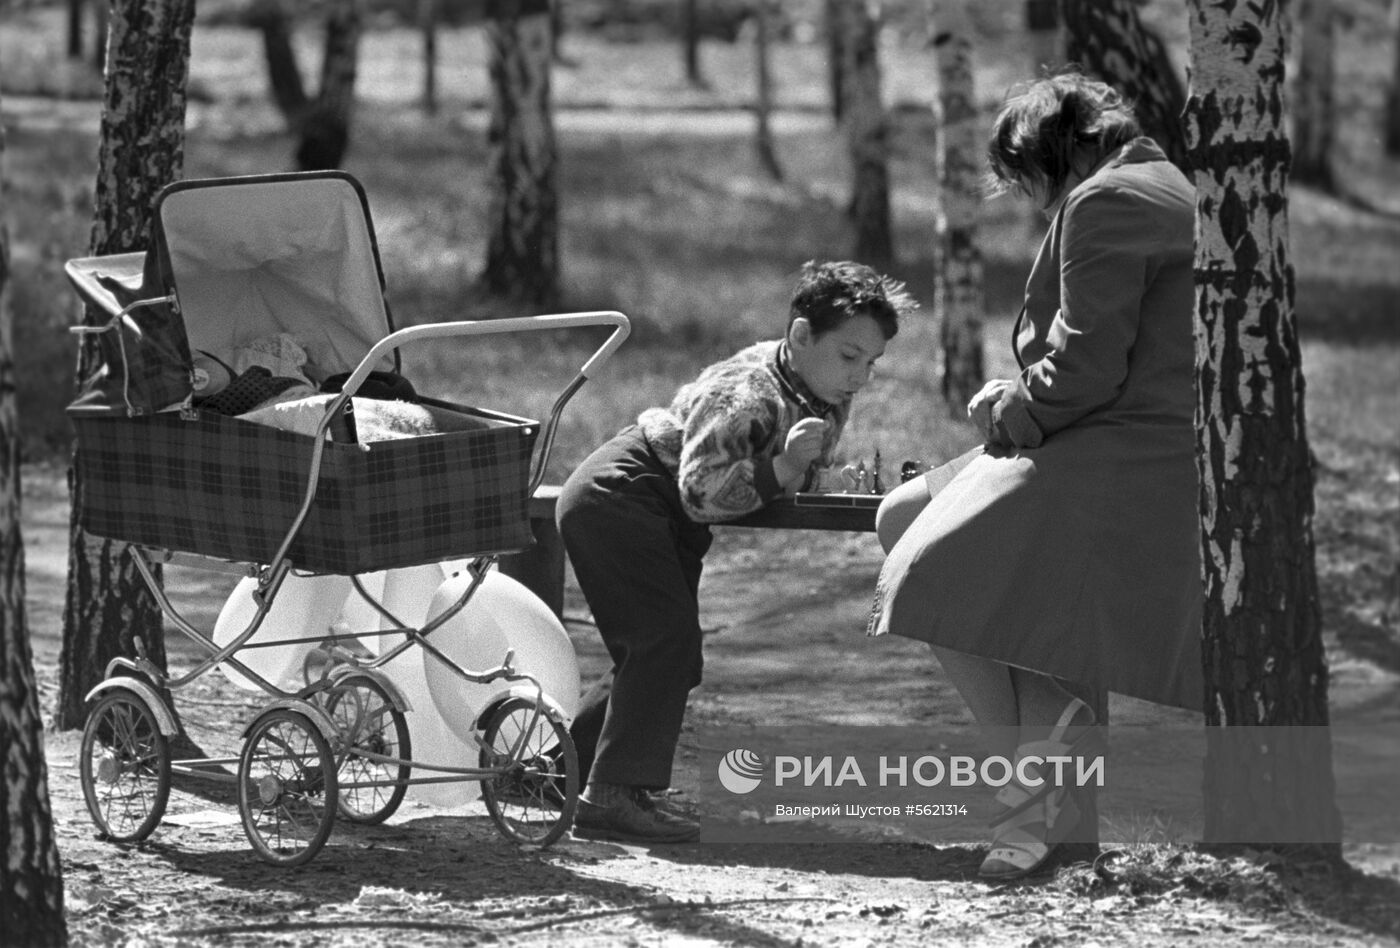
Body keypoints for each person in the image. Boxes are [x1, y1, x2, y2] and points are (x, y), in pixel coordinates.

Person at [868, 73, 1203, 880]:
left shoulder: (1107, 200)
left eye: (1028, 183)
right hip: (1099, 437)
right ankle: (1045, 795)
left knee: (936, 567)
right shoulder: (1161, 183)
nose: (1036, 204)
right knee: (901, 511)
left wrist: (1008, 403)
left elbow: (1087, 365)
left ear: (1056, 152)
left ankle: (1038, 809)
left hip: (1119, 452)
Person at [559, 260, 915, 843]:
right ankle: (612, 797)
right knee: (661, 643)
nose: (861, 378)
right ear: (801, 337)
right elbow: (701, 491)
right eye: (850, 357)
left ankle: (561, 772)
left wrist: (818, 476)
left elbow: (789, 473)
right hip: (622, 495)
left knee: (672, 654)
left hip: (661, 512)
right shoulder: (746, 392)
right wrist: (783, 469)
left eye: (872, 363)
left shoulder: (820, 389)